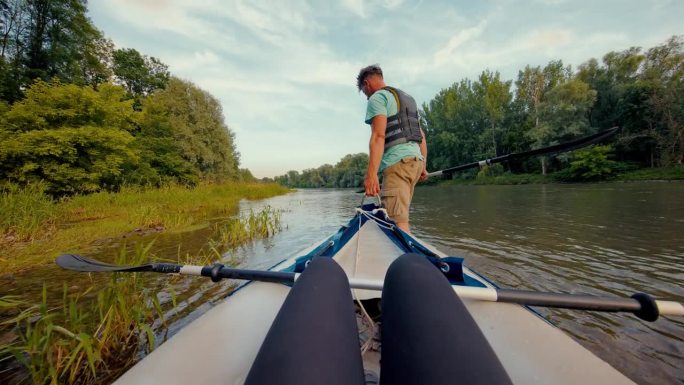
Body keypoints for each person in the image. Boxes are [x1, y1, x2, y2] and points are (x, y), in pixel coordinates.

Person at [357, 64, 427, 233]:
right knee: (401, 216)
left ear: (366, 84)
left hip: (397, 164)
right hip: (415, 163)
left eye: (365, 93)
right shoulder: (406, 99)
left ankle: (409, 259)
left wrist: (371, 174)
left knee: (396, 223)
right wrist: (423, 164)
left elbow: (378, 136)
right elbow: (421, 136)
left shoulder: (377, 98)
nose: (367, 97)